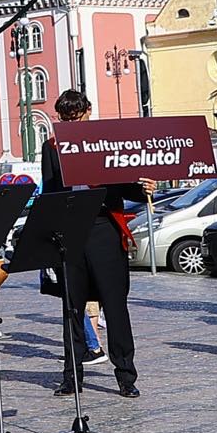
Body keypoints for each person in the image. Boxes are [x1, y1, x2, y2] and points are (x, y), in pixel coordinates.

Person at [40, 89, 148, 398]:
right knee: (72, 307)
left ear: (88, 111)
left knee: (115, 306)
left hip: (103, 227)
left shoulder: (107, 141)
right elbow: (50, 191)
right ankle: (71, 377)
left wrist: (144, 190)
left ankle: (126, 376)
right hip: (71, 229)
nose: (71, 124)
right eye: (65, 120)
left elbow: (127, 185)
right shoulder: (52, 147)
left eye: (76, 118)